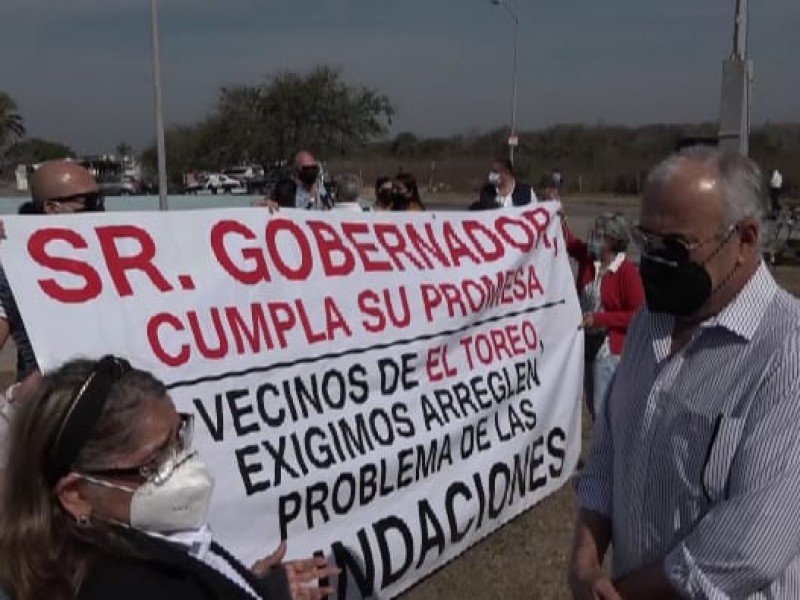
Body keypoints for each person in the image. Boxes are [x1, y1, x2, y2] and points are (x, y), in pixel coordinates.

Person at [569, 147, 800, 599]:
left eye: (674, 246)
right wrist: (584, 559)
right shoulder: (648, 322)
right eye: (645, 241)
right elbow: (609, 453)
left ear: (746, 240)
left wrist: (620, 593)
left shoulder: (787, 354)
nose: (653, 261)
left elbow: (749, 548)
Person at [0, 355, 338, 600]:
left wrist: (250, 586)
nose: (184, 462)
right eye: (156, 460)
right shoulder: (123, 588)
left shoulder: (131, 543)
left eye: (180, 436)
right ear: (76, 494)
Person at [563, 212, 644, 421]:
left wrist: (599, 319)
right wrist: (560, 216)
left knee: (602, 407)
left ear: (612, 241)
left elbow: (636, 314)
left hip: (609, 347)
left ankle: (609, 451)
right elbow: (569, 242)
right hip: (586, 342)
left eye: (599, 236)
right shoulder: (590, 260)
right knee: (592, 403)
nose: (593, 239)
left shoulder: (626, 272)